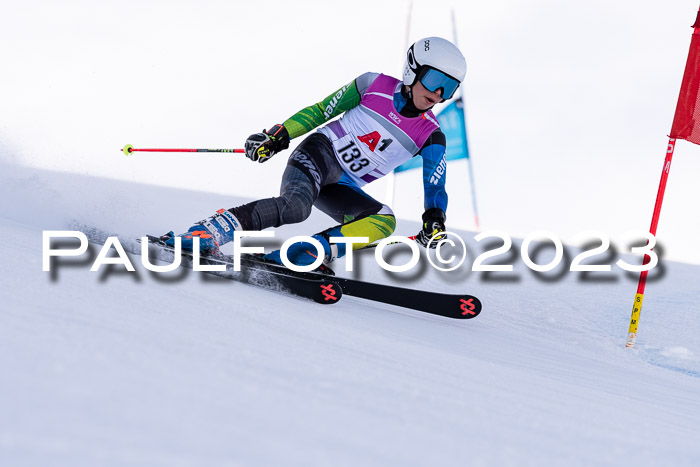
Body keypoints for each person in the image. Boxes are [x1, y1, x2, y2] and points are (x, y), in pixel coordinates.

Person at [161, 36, 467, 273]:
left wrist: (434, 217)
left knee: (383, 221)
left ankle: (300, 255)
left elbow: (434, 184)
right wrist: (279, 134)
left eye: (449, 88)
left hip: (342, 186)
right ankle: (208, 232)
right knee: (296, 207)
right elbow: (322, 110)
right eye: (434, 81)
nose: (439, 95)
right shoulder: (373, 85)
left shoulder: (431, 134)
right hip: (319, 154)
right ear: (412, 69)